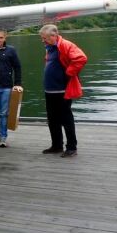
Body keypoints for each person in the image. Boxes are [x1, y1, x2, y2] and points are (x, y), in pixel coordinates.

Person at [39, 23, 87, 158]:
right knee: (52, 119)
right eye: (42, 38)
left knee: (66, 119)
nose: (43, 40)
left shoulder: (65, 45)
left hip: (61, 90)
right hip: (50, 90)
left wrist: (68, 73)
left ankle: (71, 147)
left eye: (44, 38)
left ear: (53, 36)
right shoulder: (50, 47)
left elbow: (81, 58)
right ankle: (57, 145)